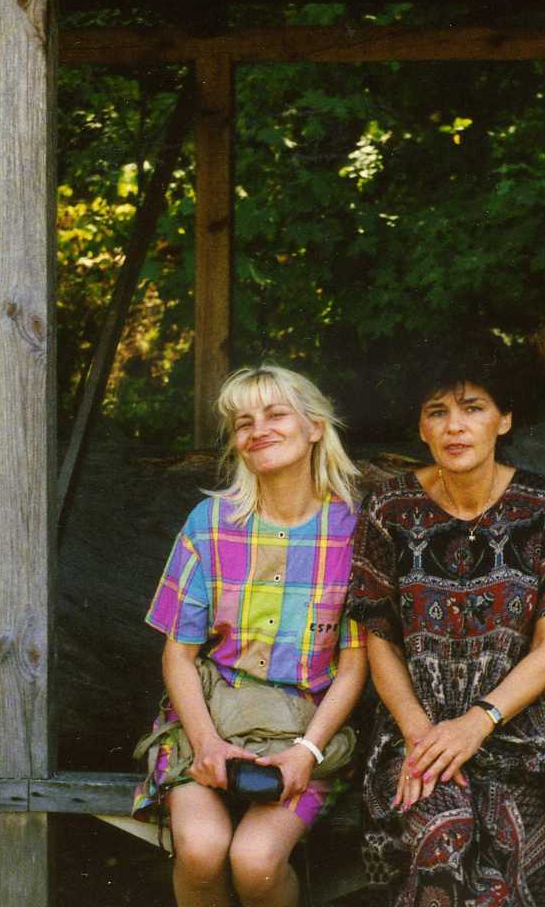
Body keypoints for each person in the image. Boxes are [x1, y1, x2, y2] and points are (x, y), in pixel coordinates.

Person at [347, 344, 545, 906]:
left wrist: (478, 723)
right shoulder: (389, 508)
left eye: (473, 408)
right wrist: (421, 735)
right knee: (442, 841)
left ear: (504, 419)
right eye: (437, 412)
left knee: (513, 856)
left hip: (521, 732)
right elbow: (375, 632)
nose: (455, 427)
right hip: (417, 731)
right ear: (421, 428)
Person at [131, 365, 369, 907]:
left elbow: (355, 665)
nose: (258, 428)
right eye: (244, 421)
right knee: (201, 849)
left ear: (314, 427)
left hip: (306, 729)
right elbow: (178, 653)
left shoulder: (354, 530)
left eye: (276, 414)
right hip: (206, 720)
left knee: (256, 862)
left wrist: (307, 752)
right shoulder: (210, 522)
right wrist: (208, 743)